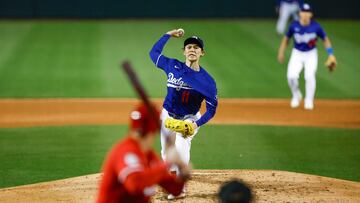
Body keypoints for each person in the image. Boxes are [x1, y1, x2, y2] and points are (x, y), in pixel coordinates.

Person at [149, 29, 218, 199]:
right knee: (166, 152)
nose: (192, 49)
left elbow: (211, 109)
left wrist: (196, 124)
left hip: (189, 119)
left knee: (181, 147)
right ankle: (172, 180)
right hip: (167, 115)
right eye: (188, 47)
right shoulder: (172, 65)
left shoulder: (207, 81)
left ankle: (180, 186)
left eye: (196, 47)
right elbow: (154, 53)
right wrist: (167, 35)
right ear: (184, 51)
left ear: (202, 52)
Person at [96, 103, 190, 203]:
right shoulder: (125, 151)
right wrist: (168, 164)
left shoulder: (149, 156)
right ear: (154, 128)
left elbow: (175, 189)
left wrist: (183, 174)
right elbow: (135, 184)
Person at [277, 3, 337, 110]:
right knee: (291, 76)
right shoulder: (294, 26)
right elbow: (286, 39)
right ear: (299, 13)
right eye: (303, 12)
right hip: (297, 53)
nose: (304, 14)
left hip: (311, 54)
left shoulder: (316, 27)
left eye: (307, 12)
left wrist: (330, 54)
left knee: (309, 76)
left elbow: (325, 40)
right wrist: (281, 52)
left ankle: (309, 100)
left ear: (311, 14)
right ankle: (296, 95)